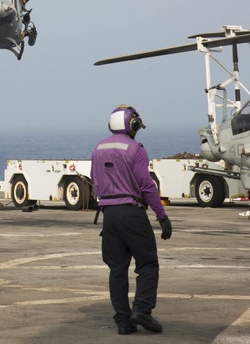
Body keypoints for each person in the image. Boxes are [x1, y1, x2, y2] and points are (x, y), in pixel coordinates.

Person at [91, 104, 172, 335]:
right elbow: (146, 185)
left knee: (117, 268)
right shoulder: (135, 149)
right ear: (133, 125)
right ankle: (142, 310)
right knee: (147, 264)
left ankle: (123, 322)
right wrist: (161, 215)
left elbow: (94, 180)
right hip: (132, 213)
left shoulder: (98, 148)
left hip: (109, 215)